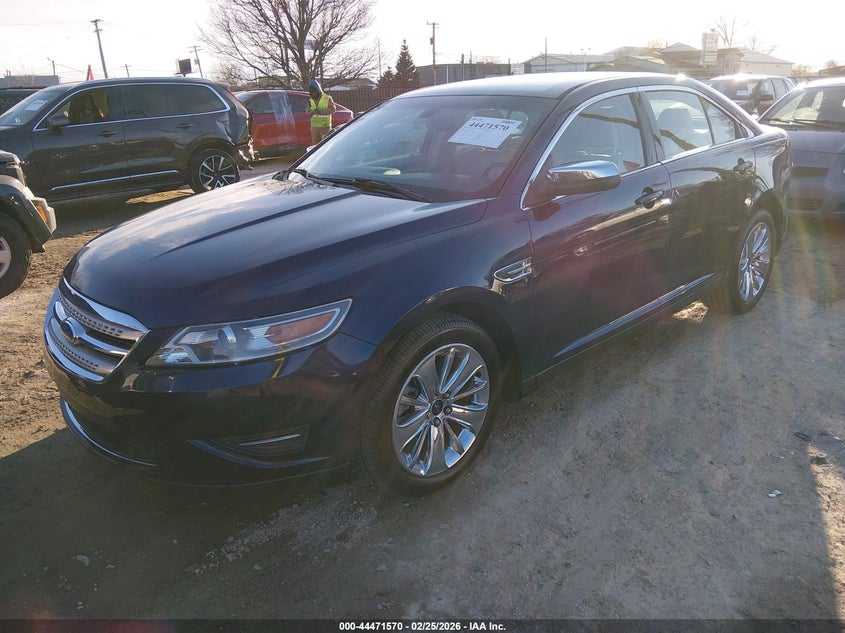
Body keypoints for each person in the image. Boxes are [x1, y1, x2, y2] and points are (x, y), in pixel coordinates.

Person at [306, 79, 336, 144]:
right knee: (315, 146)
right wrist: (311, 112)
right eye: (311, 92)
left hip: (325, 127)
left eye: (314, 92)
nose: (313, 94)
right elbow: (308, 111)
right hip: (314, 127)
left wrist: (320, 111)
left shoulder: (327, 98)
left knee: (325, 145)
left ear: (318, 90)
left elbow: (332, 109)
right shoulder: (310, 100)